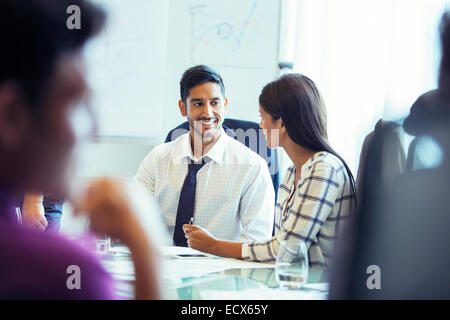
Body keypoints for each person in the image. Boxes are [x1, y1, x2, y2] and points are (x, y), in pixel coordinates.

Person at [0, 0, 160, 299]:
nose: (95, 130)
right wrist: (144, 245)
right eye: (77, 103)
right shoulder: (61, 270)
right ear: (12, 114)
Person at [183, 74, 357, 269]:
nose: (260, 125)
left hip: (320, 287)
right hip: (294, 282)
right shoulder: (293, 171)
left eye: (262, 117)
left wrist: (214, 246)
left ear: (281, 124)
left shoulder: (324, 169)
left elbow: (286, 249)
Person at [135, 65, 275, 246]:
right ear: (183, 108)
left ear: (225, 105)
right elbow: (134, 216)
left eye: (215, 103)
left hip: (222, 268)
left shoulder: (252, 167)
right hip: (162, 266)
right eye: (198, 104)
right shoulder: (157, 158)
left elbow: (257, 242)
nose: (208, 113)